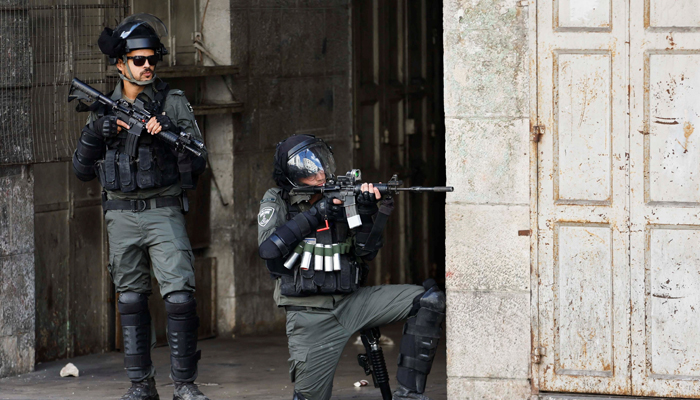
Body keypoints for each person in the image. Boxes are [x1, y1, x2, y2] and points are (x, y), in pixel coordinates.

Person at [71, 13, 210, 400]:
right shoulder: (102, 107)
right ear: (120, 64)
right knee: (130, 298)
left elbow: (199, 163)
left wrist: (168, 133)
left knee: (180, 297)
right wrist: (94, 134)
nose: (147, 66)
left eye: (152, 59)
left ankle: (184, 384)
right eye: (138, 60)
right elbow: (81, 170)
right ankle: (141, 384)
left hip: (162, 210)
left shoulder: (172, 102)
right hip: (120, 214)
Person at [257, 135, 446, 400]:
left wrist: (367, 211)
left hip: (354, 302)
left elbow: (366, 253)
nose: (321, 171)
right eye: (310, 168)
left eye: (322, 163)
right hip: (309, 314)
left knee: (430, 300)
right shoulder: (277, 200)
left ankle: (409, 395)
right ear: (292, 174)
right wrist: (316, 214)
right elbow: (268, 251)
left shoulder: (342, 195)